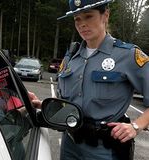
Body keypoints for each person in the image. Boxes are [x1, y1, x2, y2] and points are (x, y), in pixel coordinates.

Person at [29, 0, 149, 159]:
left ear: (105, 14)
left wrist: (136, 126)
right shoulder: (71, 57)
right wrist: (44, 105)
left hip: (104, 150)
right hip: (70, 145)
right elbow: (69, 102)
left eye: (88, 16)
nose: (82, 24)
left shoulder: (127, 56)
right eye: (77, 19)